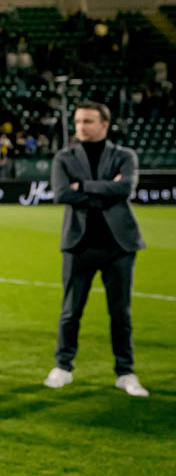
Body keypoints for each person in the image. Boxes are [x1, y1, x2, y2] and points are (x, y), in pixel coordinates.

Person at [46, 102, 148, 397]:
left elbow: (125, 188)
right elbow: (62, 193)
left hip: (120, 245)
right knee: (70, 311)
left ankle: (125, 372)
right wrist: (105, 188)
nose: (81, 127)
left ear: (105, 124)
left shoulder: (124, 156)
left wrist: (84, 188)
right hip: (79, 245)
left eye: (88, 121)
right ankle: (63, 367)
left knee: (120, 313)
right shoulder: (64, 157)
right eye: (78, 122)